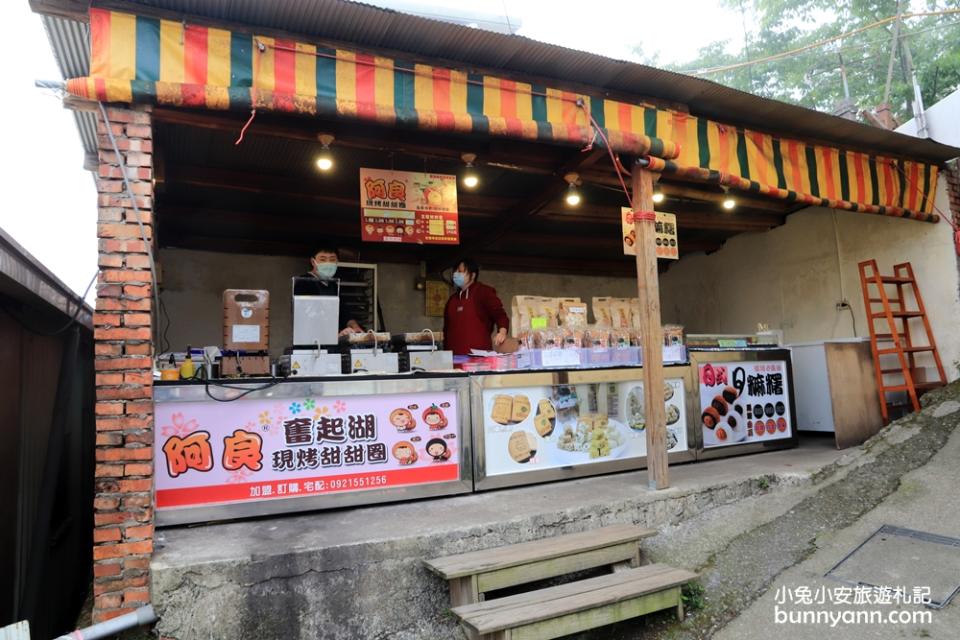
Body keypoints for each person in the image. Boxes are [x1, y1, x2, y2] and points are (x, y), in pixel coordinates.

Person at [443, 258, 509, 355]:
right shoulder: (452, 300)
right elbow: (446, 329)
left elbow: (500, 315)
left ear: (473, 275)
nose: (456, 274)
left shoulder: (483, 292)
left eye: (460, 271)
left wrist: (502, 332)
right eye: (455, 271)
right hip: (453, 359)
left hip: (479, 360)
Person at [298, 248, 363, 336]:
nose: (328, 263)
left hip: (332, 343)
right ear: (313, 262)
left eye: (332, 260)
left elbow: (344, 312)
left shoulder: (333, 285)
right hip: (311, 343)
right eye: (323, 259)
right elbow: (308, 317)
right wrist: (336, 334)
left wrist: (354, 327)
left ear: (337, 262)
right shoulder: (303, 282)